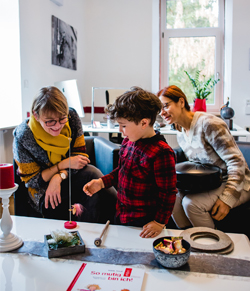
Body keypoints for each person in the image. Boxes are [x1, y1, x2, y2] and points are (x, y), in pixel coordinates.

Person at [83, 87, 177, 238]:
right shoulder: (128, 141)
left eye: (124, 125)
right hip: (123, 214)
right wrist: (101, 182)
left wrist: (159, 222)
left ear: (144, 123)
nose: (120, 130)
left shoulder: (162, 153)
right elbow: (122, 171)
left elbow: (168, 193)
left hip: (145, 222)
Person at [13, 86, 116, 222]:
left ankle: (105, 226)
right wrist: (62, 165)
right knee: (91, 179)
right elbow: (32, 180)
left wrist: (59, 176)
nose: (57, 126)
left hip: (69, 177)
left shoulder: (71, 117)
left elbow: (80, 159)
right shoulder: (23, 136)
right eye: (50, 121)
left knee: (92, 179)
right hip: (43, 190)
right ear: (36, 115)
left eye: (62, 119)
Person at [157, 85, 250, 229]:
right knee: (172, 198)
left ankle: (212, 249)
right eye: (159, 109)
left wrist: (227, 199)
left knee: (191, 204)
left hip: (237, 182)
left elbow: (236, 162)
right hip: (209, 181)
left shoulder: (209, 124)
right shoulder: (180, 129)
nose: (162, 113)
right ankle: (190, 241)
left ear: (181, 102)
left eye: (166, 106)